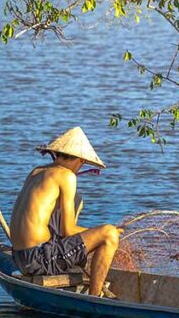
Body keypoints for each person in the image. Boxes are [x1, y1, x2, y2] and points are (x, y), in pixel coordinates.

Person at [9, 126, 121, 296]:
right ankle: (94, 297)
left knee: (78, 199)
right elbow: (67, 230)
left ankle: (76, 265)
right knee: (109, 233)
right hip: (39, 258)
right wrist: (99, 233)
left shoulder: (37, 171)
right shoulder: (67, 176)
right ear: (81, 160)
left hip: (20, 257)